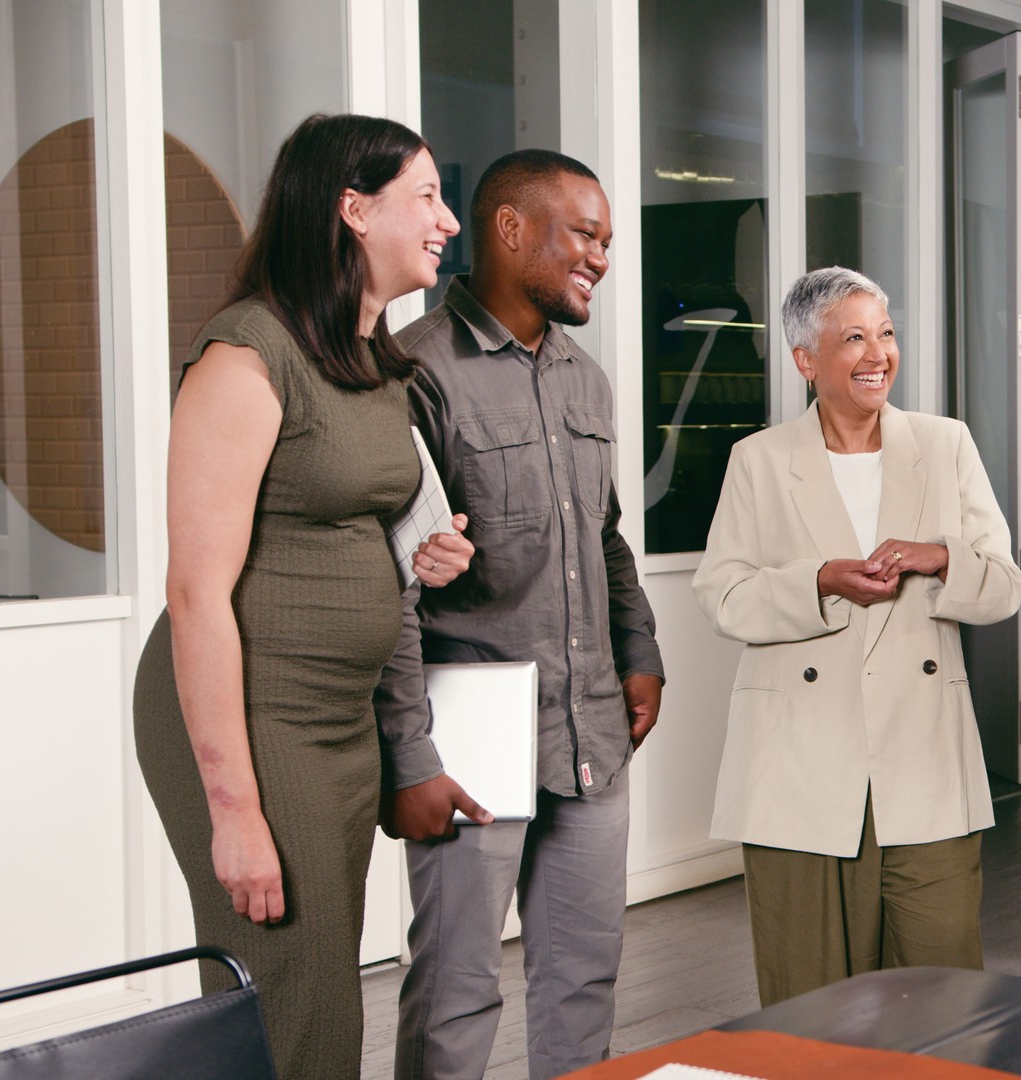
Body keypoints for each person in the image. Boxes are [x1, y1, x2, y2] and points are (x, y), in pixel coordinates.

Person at [132, 113, 470, 1080]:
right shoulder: (245, 357)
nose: (446, 221)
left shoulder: (371, 359)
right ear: (353, 210)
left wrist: (421, 554)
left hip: (339, 720)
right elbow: (197, 594)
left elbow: (349, 523)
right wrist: (233, 809)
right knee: (292, 997)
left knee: (323, 988)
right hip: (256, 718)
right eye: (428, 196)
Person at [375, 149, 664, 1080]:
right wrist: (410, 754)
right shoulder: (415, 374)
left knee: (584, 977)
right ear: (509, 229)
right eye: (585, 234)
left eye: (608, 242)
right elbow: (395, 585)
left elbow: (607, 537)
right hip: (473, 736)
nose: (601, 259)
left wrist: (641, 650)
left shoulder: (586, 379)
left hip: (592, 727)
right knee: (458, 988)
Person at [692, 266, 1021, 1006]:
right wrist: (817, 582)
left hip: (926, 764)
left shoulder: (945, 445)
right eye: (854, 338)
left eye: (886, 333)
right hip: (797, 769)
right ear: (806, 361)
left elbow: (1004, 586)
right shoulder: (760, 460)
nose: (878, 353)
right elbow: (723, 595)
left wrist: (941, 559)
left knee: (941, 998)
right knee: (808, 1007)